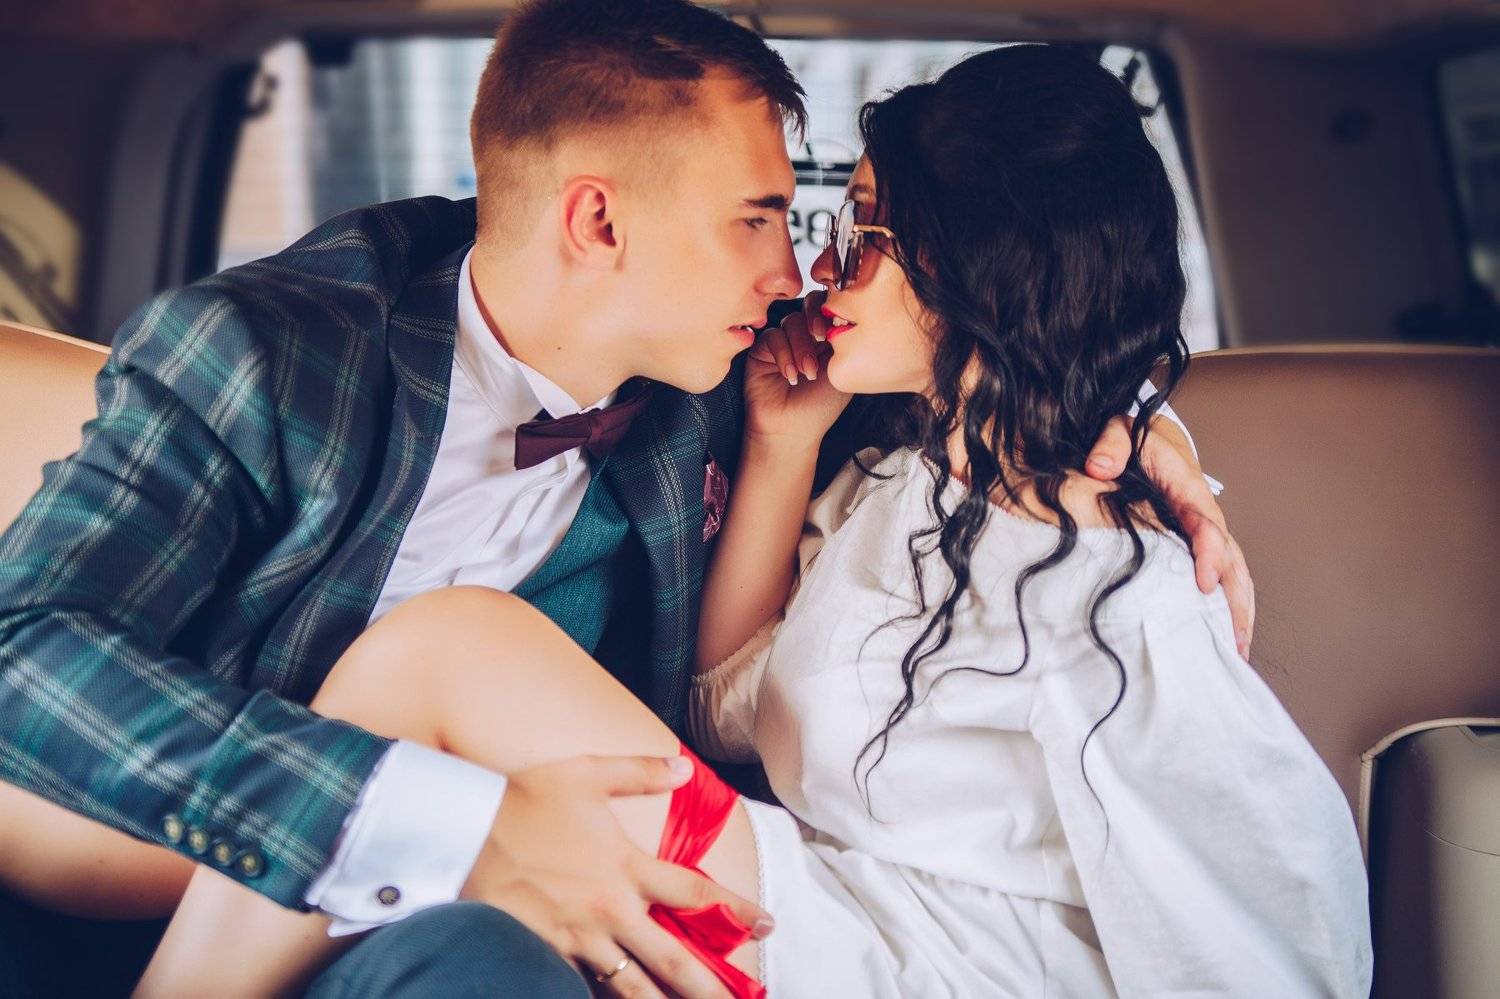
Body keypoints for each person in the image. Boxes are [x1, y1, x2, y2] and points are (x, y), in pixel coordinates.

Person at [0, 7, 1253, 998]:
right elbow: (24, 661)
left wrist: (1136, 424)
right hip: (177, 873)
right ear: (597, 221)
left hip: (491, 928)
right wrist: (446, 825)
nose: (793, 272)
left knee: (486, 965)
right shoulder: (265, 354)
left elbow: (988, 336)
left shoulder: (730, 367)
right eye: (758, 219)